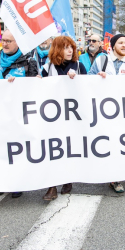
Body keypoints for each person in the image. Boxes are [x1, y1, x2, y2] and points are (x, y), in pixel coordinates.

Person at [0, 29, 39, 199]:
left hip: (18, 114)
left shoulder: (28, 62)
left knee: (17, 149)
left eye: (8, 41)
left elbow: (35, 87)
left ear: (17, 43)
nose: (4, 44)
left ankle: (17, 182)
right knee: (0, 148)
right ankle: (1, 181)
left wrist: (21, 84)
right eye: (3, 40)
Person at [88, 34, 125, 193]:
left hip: (123, 111)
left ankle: (116, 178)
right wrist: (98, 78)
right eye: (121, 43)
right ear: (113, 45)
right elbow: (88, 80)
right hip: (104, 110)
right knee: (106, 142)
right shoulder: (102, 61)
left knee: (120, 143)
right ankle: (106, 172)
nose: (124, 45)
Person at [39, 36, 87, 201]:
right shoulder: (48, 67)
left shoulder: (79, 66)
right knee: (53, 148)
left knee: (69, 147)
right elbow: (38, 88)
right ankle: (51, 187)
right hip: (54, 116)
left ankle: (67, 178)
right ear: (57, 49)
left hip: (74, 116)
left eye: (71, 47)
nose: (70, 50)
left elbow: (90, 88)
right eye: (65, 47)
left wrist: (78, 80)